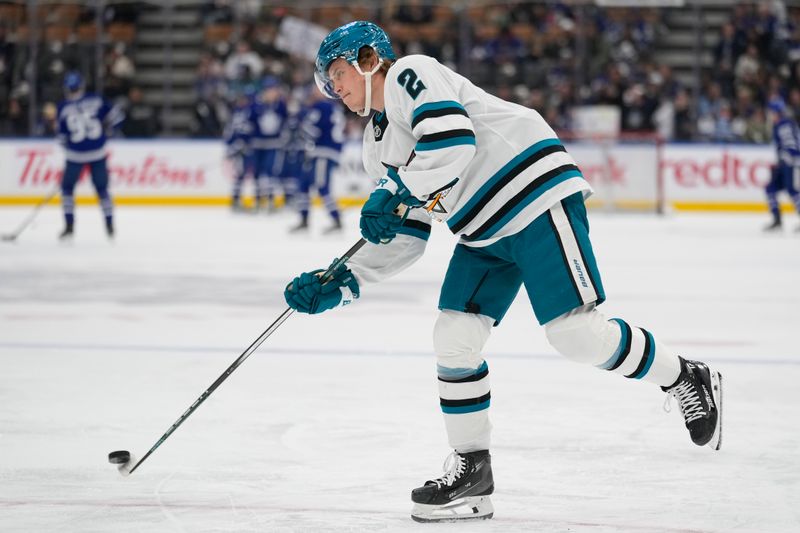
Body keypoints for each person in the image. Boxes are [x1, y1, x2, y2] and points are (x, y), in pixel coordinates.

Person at [283, 22, 723, 523]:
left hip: (532, 197)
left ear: (367, 59)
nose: (333, 86)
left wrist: (396, 191)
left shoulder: (409, 72)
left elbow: (453, 140)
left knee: (576, 336)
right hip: (481, 232)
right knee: (453, 340)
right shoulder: (375, 144)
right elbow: (407, 235)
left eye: (338, 72)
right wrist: (344, 280)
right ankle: (472, 473)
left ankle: (684, 376)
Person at [56, 71, 124, 240]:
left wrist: (71, 148)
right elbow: (118, 117)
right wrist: (108, 132)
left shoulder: (63, 107)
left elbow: (61, 138)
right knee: (102, 190)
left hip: (75, 156)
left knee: (67, 190)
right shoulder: (96, 99)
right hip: (97, 153)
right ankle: (109, 225)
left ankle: (69, 226)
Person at [291, 86, 346, 233]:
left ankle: (336, 219)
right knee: (304, 184)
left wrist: (298, 123)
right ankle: (304, 219)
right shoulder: (332, 107)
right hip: (321, 152)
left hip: (323, 152)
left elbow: (313, 131)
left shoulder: (320, 107)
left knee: (321, 186)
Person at [248, 75, 288, 212]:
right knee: (257, 172)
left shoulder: (280, 104)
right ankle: (258, 199)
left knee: (270, 171)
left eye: (274, 89)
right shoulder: (256, 104)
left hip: (273, 143)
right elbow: (250, 121)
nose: (272, 92)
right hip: (257, 143)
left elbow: (286, 121)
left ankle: (270, 199)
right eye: (269, 89)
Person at [763, 98, 800, 232]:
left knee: (792, 190)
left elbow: (791, 145)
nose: (769, 115)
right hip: (784, 163)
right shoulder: (780, 125)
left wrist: (787, 159)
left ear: (776, 112)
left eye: (771, 112)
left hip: (790, 163)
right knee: (770, 188)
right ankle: (777, 220)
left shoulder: (785, 125)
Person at [224, 87, 255, 211]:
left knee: (247, 174)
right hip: (240, 150)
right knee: (239, 174)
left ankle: (239, 199)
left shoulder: (248, 112)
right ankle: (235, 199)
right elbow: (231, 133)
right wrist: (233, 147)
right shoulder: (239, 113)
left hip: (247, 149)